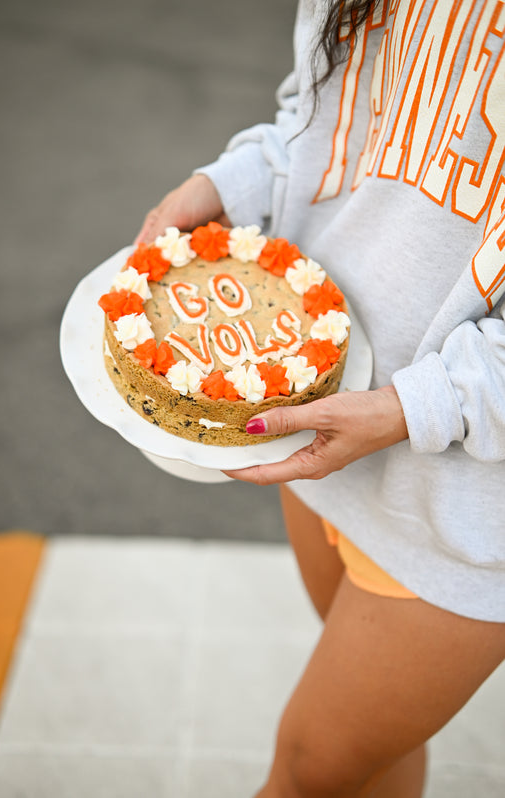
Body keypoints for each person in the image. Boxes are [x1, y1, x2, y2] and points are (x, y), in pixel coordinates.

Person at [136, 0, 505, 795]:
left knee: (307, 771)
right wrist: (232, 182)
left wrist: (412, 406)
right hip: (323, 407)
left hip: (466, 501)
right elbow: (325, 117)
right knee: (372, 762)